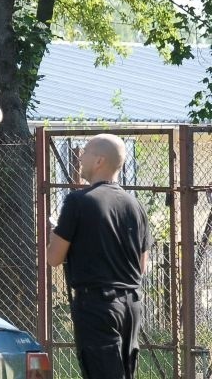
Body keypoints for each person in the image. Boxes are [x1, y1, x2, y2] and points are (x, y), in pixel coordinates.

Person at [47, 133, 153, 379]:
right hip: (131, 305)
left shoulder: (77, 201)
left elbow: (54, 258)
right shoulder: (135, 205)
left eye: (84, 153)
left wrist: (53, 234)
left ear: (99, 161)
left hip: (97, 305)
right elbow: (142, 266)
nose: (80, 158)